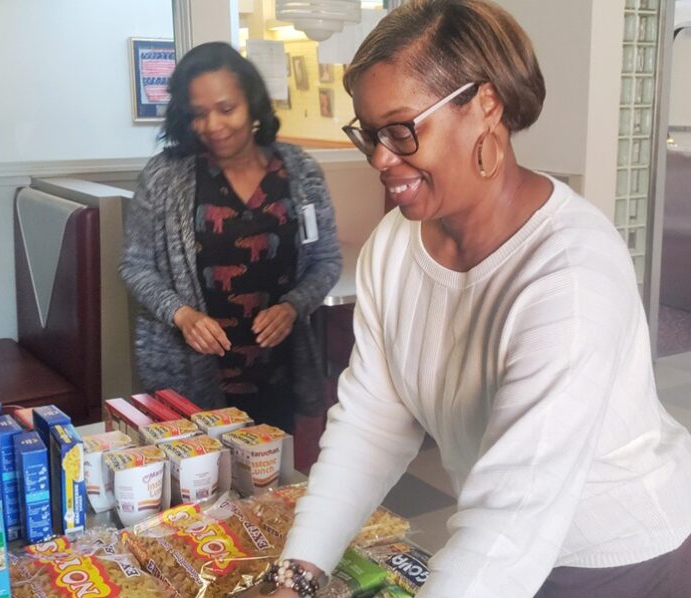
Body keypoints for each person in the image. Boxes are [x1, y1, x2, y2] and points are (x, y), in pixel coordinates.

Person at [243, 1, 691, 597]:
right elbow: (374, 420)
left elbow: (513, 514)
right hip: (502, 546)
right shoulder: (396, 246)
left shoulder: (570, 274)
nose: (381, 157)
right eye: (370, 133)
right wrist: (298, 573)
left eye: (401, 129)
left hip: (614, 556)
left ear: (485, 105)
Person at [120, 42, 341, 433]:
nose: (213, 126)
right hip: (190, 375)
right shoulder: (164, 176)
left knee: (268, 487)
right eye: (198, 115)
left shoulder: (300, 172)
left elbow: (326, 260)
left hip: (275, 371)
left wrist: (292, 307)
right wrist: (181, 315)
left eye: (226, 109)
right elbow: (136, 265)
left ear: (253, 104)